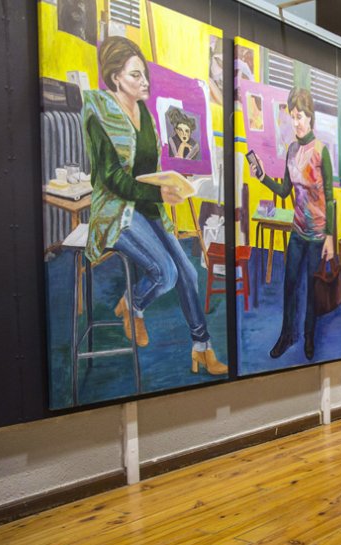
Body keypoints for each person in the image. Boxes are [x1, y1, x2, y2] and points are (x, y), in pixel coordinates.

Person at [82, 36, 226, 375]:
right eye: (135, 75)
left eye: (144, 73)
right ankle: (132, 305)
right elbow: (112, 179)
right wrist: (158, 194)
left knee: (189, 272)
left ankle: (202, 347)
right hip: (115, 211)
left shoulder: (144, 114)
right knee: (166, 272)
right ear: (115, 77)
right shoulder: (98, 115)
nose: (144, 81)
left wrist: (169, 184)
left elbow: (147, 169)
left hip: (146, 206)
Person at [250, 88, 336, 361]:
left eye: (301, 117)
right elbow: (286, 191)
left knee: (312, 289)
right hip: (298, 231)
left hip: (318, 235)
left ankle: (309, 337)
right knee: (289, 285)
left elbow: (331, 200)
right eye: (293, 117)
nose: (296, 122)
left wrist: (331, 238)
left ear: (310, 118)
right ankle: (288, 334)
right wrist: (263, 176)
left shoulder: (321, 152)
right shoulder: (291, 151)